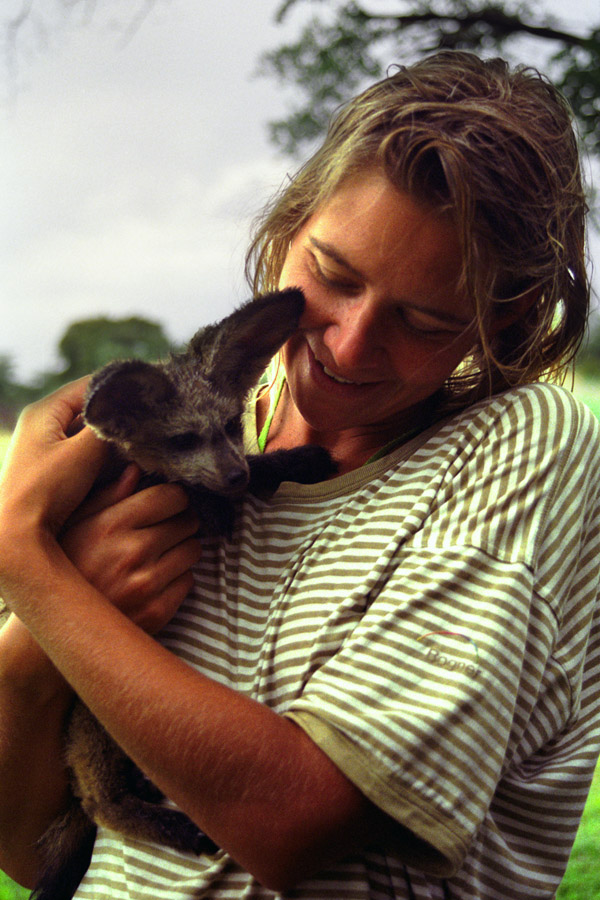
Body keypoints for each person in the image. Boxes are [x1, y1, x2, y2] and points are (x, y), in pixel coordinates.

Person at [0, 50, 599, 900]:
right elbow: (36, 853)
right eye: (333, 275)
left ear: (498, 321)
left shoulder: (519, 444)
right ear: (289, 227)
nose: (350, 345)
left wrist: (27, 562)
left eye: (425, 319)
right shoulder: (200, 429)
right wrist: (34, 643)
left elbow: (290, 830)